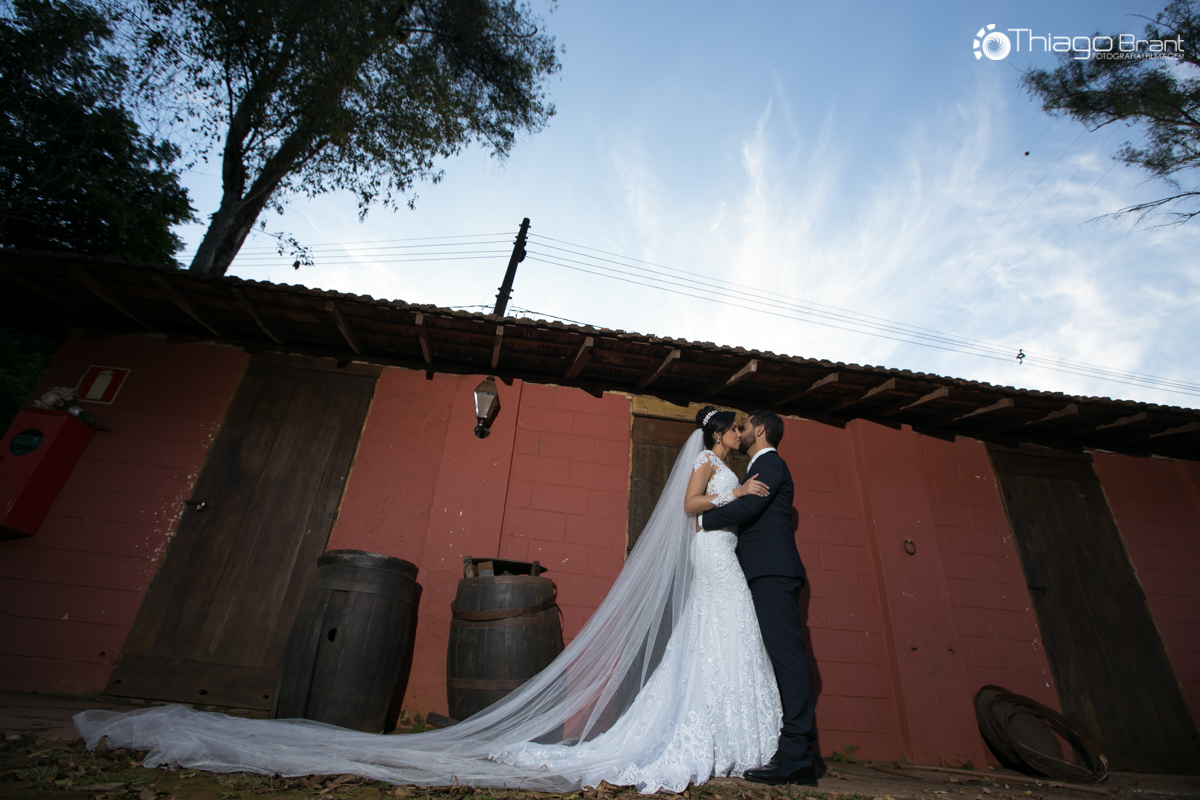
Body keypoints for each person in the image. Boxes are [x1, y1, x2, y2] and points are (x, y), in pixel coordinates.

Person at [74, 407, 793, 794]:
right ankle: (710, 735)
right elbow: (692, 509)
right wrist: (736, 499)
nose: (740, 435)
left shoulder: (731, 463)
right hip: (714, 553)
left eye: (743, 430)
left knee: (714, 641)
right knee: (716, 635)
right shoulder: (708, 462)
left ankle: (725, 732)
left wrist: (743, 499)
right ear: (718, 432)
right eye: (735, 428)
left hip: (720, 557)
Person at [698, 409, 817, 786]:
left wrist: (702, 520)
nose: (741, 431)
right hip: (760, 572)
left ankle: (797, 754)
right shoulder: (756, 468)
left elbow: (749, 507)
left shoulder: (770, 464)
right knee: (775, 656)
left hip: (773, 571)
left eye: (746, 425)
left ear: (761, 429)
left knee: (787, 657)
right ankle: (789, 750)